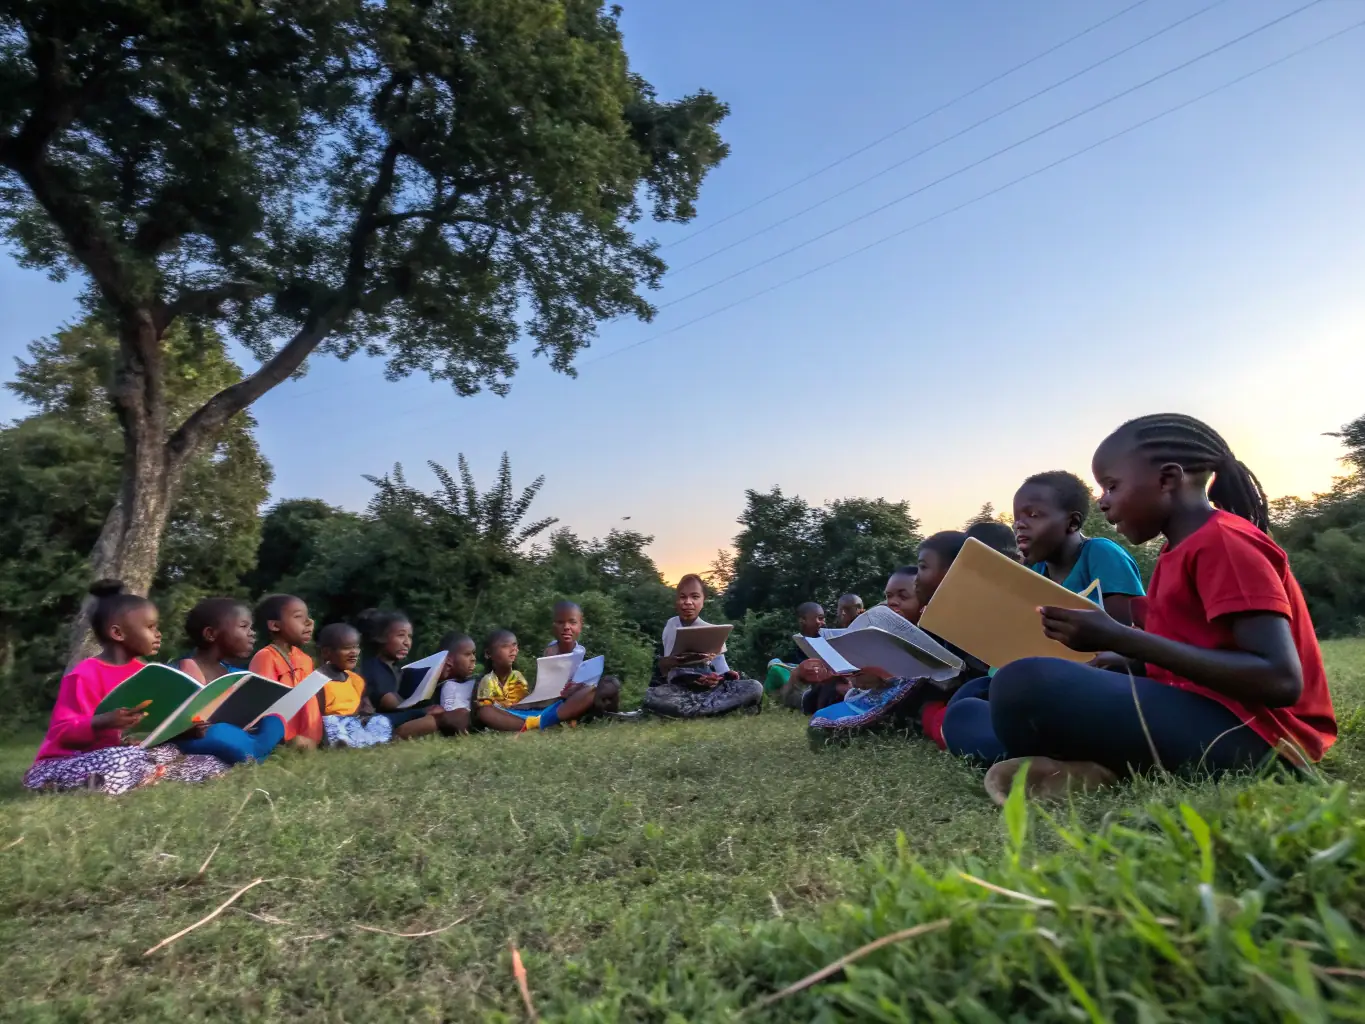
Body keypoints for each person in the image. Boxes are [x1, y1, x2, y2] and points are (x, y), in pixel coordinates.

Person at [982, 413, 1337, 804]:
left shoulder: (1225, 543)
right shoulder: (1175, 553)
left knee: (1025, 681)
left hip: (1266, 739)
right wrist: (1126, 663)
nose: (1103, 502)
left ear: (1167, 480)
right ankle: (1088, 767)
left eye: (1112, 486)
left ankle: (1083, 764)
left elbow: (1280, 680)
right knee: (979, 703)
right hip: (1209, 713)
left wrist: (1124, 639)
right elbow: (1191, 660)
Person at [941, 473, 1147, 766]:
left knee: (989, 712)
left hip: (1094, 681)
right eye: (1016, 518)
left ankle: (1038, 752)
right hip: (1034, 681)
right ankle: (1047, 753)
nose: (1019, 525)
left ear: (1072, 523)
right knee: (965, 702)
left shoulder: (1101, 553)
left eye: (1033, 515)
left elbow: (1123, 636)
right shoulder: (1035, 573)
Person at [23, 581, 233, 795]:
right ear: (118, 633)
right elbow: (62, 733)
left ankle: (133, 778)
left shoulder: (147, 673)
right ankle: (69, 783)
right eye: (150, 627)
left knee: (206, 761)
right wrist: (104, 721)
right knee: (122, 759)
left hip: (131, 755)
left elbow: (153, 731)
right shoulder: (84, 675)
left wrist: (184, 730)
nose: (158, 634)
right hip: (70, 761)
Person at [170, 597, 286, 764]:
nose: (252, 633)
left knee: (274, 721)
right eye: (244, 626)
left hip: (236, 733)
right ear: (210, 634)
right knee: (218, 732)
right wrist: (187, 729)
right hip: (199, 738)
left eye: (251, 627)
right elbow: (171, 722)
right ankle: (254, 753)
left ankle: (252, 751)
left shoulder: (236, 674)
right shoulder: (183, 670)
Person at [641, 575, 763, 718]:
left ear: (703, 601)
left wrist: (720, 678)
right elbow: (666, 672)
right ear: (677, 601)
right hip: (679, 691)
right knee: (652, 695)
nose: (688, 602)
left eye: (695, 597)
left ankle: (693, 711)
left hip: (707, 692)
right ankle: (713, 710)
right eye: (682, 597)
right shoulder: (671, 625)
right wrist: (687, 670)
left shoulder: (714, 631)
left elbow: (722, 672)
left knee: (754, 686)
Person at [474, 629, 600, 731]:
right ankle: (544, 723)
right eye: (505, 646)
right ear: (488, 654)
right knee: (485, 712)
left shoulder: (517, 676)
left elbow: (525, 703)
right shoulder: (487, 680)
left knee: (590, 691)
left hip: (529, 713)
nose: (513, 650)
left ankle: (542, 722)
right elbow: (488, 708)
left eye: (515, 645)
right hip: (508, 716)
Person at [248, 594, 323, 750]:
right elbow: (263, 703)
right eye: (298, 617)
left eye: (308, 617)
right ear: (275, 625)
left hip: (309, 735)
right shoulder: (266, 657)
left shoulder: (305, 659)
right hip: (281, 737)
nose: (310, 622)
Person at [357, 609, 441, 740]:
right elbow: (390, 703)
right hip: (376, 720)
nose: (407, 642)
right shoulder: (374, 667)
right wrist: (421, 708)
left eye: (410, 636)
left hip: (392, 717)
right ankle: (397, 735)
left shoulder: (396, 669)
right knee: (433, 715)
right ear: (380, 637)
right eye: (401, 635)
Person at [316, 623, 393, 748]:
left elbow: (365, 707)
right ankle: (345, 743)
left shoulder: (356, 679)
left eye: (356, 647)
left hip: (354, 722)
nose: (354, 653)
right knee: (331, 723)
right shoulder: (318, 680)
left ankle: (371, 741)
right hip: (332, 723)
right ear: (326, 652)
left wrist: (366, 715)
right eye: (346, 648)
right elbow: (316, 714)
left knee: (380, 720)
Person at [764, 601, 827, 704]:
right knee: (775, 668)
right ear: (803, 620)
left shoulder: (828, 638)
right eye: (819, 618)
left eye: (823, 618)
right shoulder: (791, 643)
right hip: (795, 674)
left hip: (820, 678)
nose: (823, 622)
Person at [436, 631, 479, 735]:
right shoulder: (447, 686)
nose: (473, 658)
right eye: (467, 654)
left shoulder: (476, 680)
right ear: (449, 660)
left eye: (474, 653)